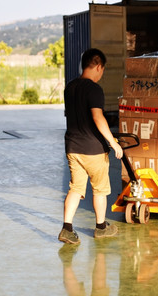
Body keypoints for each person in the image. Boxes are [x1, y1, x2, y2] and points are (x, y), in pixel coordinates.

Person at [59, 48, 123, 245]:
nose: (101, 74)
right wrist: (113, 143)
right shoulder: (94, 89)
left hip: (72, 147)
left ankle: (67, 229)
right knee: (100, 190)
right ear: (98, 66)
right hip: (93, 149)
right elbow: (97, 117)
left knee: (75, 189)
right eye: (102, 69)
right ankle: (101, 228)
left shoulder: (69, 87)